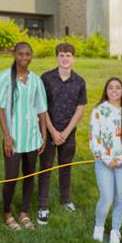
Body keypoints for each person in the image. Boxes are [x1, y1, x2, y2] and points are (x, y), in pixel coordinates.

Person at [0, 41, 48, 231]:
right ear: (14, 55)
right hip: (14, 139)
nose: (24, 58)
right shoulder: (4, 78)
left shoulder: (36, 80)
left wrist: (43, 134)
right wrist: (6, 136)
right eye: (21, 54)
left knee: (29, 175)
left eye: (28, 54)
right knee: (11, 177)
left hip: (32, 137)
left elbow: (41, 109)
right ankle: (7, 213)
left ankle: (24, 212)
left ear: (31, 56)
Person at [37, 42, 88, 224]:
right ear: (56, 57)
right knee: (46, 168)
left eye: (68, 55)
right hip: (48, 131)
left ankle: (65, 200)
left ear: (73, 58)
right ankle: (42, 205)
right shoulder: (46, 78)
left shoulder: (79, 82)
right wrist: (52, 131)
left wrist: (66, 132)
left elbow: (80, 108)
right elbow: (41, 107)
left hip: (68, 133)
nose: (65, 58)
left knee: (65, 166)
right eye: (61, 55)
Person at [89, 77, 122, 243]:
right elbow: (93, 138)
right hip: (104, 162)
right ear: (106, 90)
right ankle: (99, 227)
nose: (114, 91)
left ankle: (115, 231)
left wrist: (121, 158)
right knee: (107, 197)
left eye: (118, 88)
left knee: (120, 197)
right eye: (111, 88)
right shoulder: (98, 111)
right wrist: (106, 158)